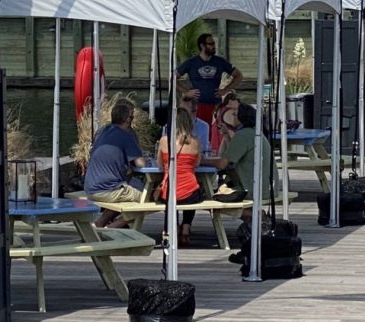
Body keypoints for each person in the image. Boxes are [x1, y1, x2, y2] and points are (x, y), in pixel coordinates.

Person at [84, 97, 148, 226]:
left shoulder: (103, 131)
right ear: (127, 119)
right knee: (149, 200)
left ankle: (100, 223)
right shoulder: (126, 135)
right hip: (108, 190)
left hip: (90, 188)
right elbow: (141, 164)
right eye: (131, 117)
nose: (132, 120)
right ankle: (111, 228)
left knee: (125, 189)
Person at [176, 33, 242, 152]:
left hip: (215, 105)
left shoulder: (220, 62)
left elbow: (238, 76)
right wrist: (186, 92)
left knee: (215, 134)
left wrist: (225, 90)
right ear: (202, 46)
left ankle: (215, 157)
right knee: (198, 131)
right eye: (210, 44)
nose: (214, 46)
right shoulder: (191, 62)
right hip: (196, 105)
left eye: (214, 44)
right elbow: (172, 78)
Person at [157, 107, 208, 248]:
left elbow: (160, 164)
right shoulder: (196, 141)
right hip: (189, 192)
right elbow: (197, 163)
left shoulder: (164, 141)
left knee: (171, 198)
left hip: (168, 192)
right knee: (195, 190)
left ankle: (172, 228)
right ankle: (186, 226)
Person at [215, 100, 272, 206]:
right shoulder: (255, 132)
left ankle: (256, 217)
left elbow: (223, 163)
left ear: (240, 118)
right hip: (266, 187)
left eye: (234, 115)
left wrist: (202, 160)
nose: (231, 117)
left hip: (252, 189)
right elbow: (233, 153)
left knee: (211, 196)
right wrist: (227, 135)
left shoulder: (243, 135)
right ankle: (255, 219)